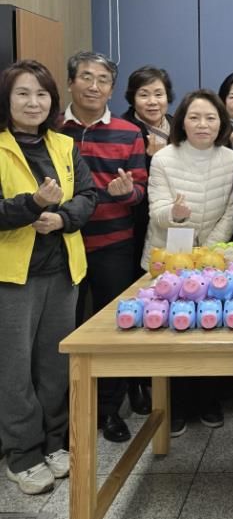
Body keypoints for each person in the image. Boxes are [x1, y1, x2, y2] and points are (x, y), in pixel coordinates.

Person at [0, 60, 96, 495]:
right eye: (22, 93)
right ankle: (22, 454)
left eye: (41, 94)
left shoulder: (63, 144)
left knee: (55, 363)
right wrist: (32, 205)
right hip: (13, 277)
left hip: (63, 270)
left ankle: (56, 442)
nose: (33, 102)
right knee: (14, 369)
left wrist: (61, 218)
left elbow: (88, 196)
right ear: (7, 99)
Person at [60, 51, 148, 444]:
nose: (94, 86)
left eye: (103, 80)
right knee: (65, 328)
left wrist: (127, 193)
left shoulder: (129, 133)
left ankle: (110, 408)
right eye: (86, 77)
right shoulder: (52, 129)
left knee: (114, 325)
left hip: (113, 244)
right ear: (70, 82)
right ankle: (67, 412)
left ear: (112, 89)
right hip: (61, 246)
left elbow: (141, 191)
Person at [141, 89, 233, 435]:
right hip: (168, 259)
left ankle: (208, 400)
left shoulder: (232, 159)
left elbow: (231, 212)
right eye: (194, 117)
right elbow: (156, 212)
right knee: (172, 332)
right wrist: (176, 214)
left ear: (221, 123)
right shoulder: (163, 159)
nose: (202, 124)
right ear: (181, 121)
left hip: (211, 259)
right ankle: (176, 405)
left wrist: (207, 252)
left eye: (211, 118)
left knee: (210, 326)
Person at [121, 65, 175, 416]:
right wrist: (148, 157)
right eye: (144, 94)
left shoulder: (178, 127)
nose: (152, 101)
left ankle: (168, 385)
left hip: (173, 230)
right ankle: (137, 383)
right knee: (139, 304)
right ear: (132, 98)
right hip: (136, 227)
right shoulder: (125, 129)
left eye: (158, 94)